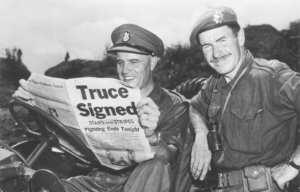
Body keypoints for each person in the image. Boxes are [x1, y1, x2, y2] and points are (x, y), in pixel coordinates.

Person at [13, 24, 190, 192]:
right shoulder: (104, 95)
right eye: (120, 62)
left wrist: (152, 137)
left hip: (143, 182)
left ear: (152, 63)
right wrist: (34, 99)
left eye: (134, 62)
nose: (125, 70)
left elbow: (169, 157)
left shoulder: (173, 104)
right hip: (99, 182)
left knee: (156, 164)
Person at [189, 6, 300, 192]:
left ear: (240, 37)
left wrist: (293, 166)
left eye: (221, 40)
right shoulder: (215, 83)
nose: (216, 53)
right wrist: (201, 137)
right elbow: (194, 108)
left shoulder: (271, 77)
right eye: (207, 46)